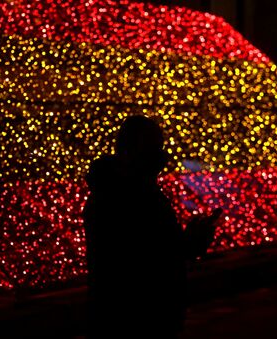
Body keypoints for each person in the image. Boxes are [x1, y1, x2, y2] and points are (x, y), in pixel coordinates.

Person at [82, 115, 221, 338]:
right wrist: (194, 241)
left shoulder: (114, 189)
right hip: (141, 315)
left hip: (121, 312)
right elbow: (152, 254)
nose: (162, 155)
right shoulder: (133, 195)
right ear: (138, 148)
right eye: (156, 146)